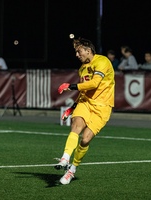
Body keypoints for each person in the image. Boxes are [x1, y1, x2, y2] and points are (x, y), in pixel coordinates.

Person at [55, 37, 115, 185]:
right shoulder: (82, 69)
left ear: (88, 50)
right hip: (85, 103)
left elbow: (94, 84)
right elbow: (84, 92)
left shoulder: (102, 61)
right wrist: (72, 107)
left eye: (79, 51)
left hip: (103, 107)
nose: (77, 55)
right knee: (76, 126)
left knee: (85, 139)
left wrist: (71, 86)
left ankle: (72, 170)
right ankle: (65, 158)